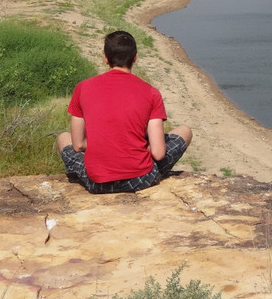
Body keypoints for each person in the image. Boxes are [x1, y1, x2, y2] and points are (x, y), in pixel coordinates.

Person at [56, 30, 193, 193]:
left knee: (64, 137)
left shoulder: (82, 88)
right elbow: (158, 153)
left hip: (96, 182)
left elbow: (78, 145)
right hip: (140, 180)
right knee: (185, 131)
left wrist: (103, 145)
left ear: (106, 58)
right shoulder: (151, 93)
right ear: (135, 58)